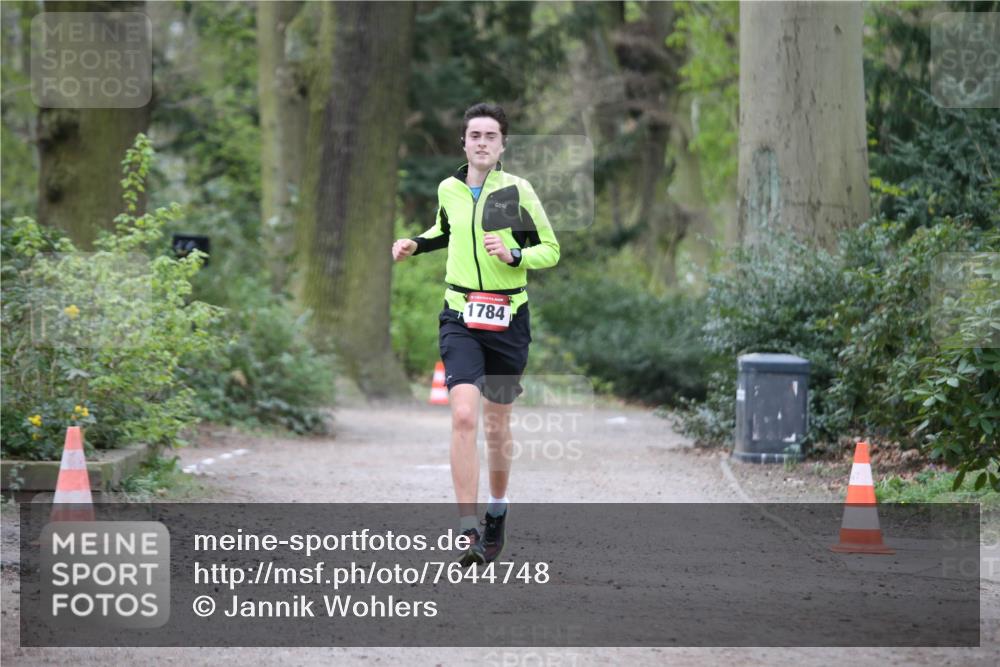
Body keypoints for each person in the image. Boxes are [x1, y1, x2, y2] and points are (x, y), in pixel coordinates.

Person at [391, 103, 560, 566]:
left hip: (508, 322)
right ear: (463, 143)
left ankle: (497, 514)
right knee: (464, 415)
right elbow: (445, 230)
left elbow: (550, 249)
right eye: (474, 135)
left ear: (502, 145)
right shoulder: (449, 188)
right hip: (461, 315)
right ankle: (468, 526)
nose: (482, 142)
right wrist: (415, 244)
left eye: (491, 135)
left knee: (496, 423)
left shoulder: (515, 191)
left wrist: (513, 254)